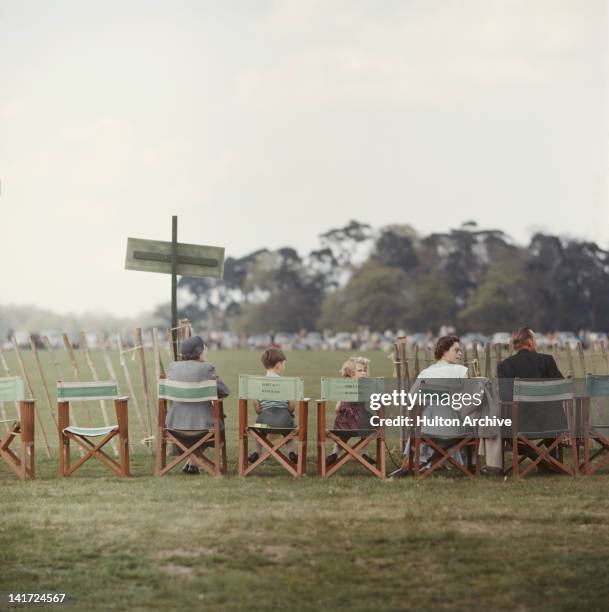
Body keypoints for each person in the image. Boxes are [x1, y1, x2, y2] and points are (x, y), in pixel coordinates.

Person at [390, 335, 468, 478]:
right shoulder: (461, 371)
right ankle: (469, 465)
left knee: (427, 415)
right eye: (456, 350)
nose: (460, 354)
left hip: (427, 430)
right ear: (444, 351)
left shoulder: (426, 373)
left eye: (460, 351)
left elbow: (411, 400)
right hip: (455, 431)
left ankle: (416, 463)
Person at [166, 335, 229, 475]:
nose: (206, 352)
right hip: (204, 427)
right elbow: (224, 391)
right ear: (198, 352)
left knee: (197, 423)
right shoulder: (207, 368)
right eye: (205, 349)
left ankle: (191, 463)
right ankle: (193, 462)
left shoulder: (173, 367)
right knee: (210, 424)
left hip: (174, 425)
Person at [497, 326, 567, 445]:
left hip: (519, 426)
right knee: (552, 411)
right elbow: (562, 390)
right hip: (552, 425)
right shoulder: (547, 361)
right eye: (535, 339)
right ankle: (552, 462)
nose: (536, 343)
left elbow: (506, 397)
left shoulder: (505, 366)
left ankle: (538, 459)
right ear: (530, 342)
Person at [248, 347, 297, 465]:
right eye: (284, 364)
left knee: (259, 429)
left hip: (264, 422)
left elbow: (258, 410)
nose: (284, 367)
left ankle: (257, 451)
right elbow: (291, 408)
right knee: (288, 430)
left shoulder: (258, 384)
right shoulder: (287, 383)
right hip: (284, 422)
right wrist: (288, 412)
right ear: (278, 365)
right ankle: (292, 453)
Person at [326, 356, 376, 467]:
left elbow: (337, 408)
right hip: (362, 425)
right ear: (350, 372)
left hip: (342, 426)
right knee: (367, 423)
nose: (363, 373)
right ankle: (365, 453)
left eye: (364, 370)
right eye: (360, 371)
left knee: (344, 433)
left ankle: (335, 453)